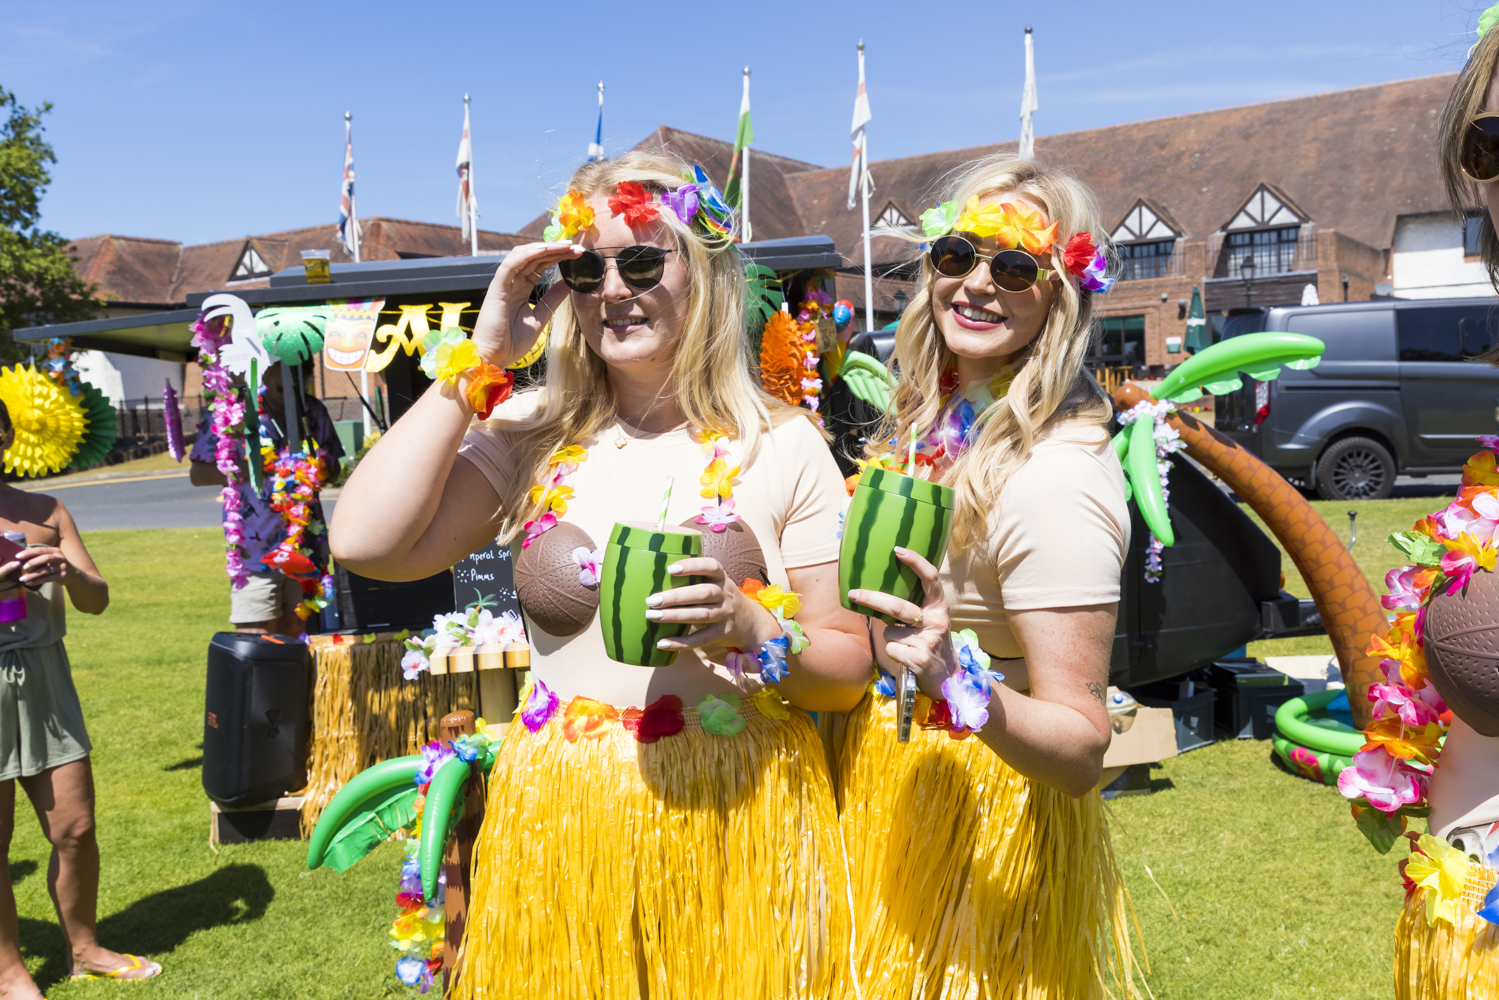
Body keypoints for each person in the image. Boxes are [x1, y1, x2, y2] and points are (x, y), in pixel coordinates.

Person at [330, 151, 871, 998]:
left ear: (704, 271)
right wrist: (479, 364)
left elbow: (844, 672)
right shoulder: (530, 433)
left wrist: (755, 630)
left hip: (739, 820)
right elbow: (366, 542)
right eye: (586, 270)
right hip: (563, 824)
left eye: (643, 261)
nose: (612, 289)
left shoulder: (782, 442)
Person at [838, 154, 1141, 998]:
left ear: (1059, 294)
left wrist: (952, 678)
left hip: (986, 821)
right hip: (892, 784)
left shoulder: (1055, 476)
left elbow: (1080, 747)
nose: (975, 283)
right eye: (957, 255)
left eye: (1013, 267)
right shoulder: (926, 427)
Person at [0, 402, 161, 990]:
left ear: (6, 436)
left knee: (75, 827)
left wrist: (66, 573)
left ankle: (85, 950)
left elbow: (98, 599)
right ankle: (9, 972)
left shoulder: (46, 510)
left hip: (46, 679)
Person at [189, 360, 344, 635]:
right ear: (265, 371)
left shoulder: (312, 410)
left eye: (299, 382)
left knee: (299, 632)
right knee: (255, 635)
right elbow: (199, 474)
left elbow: (335, 470)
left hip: (304, 544)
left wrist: (315, 466)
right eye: (283, 385)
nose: (291, 392)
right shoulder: (232, 412)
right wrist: (252, 467)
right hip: (255, 548)